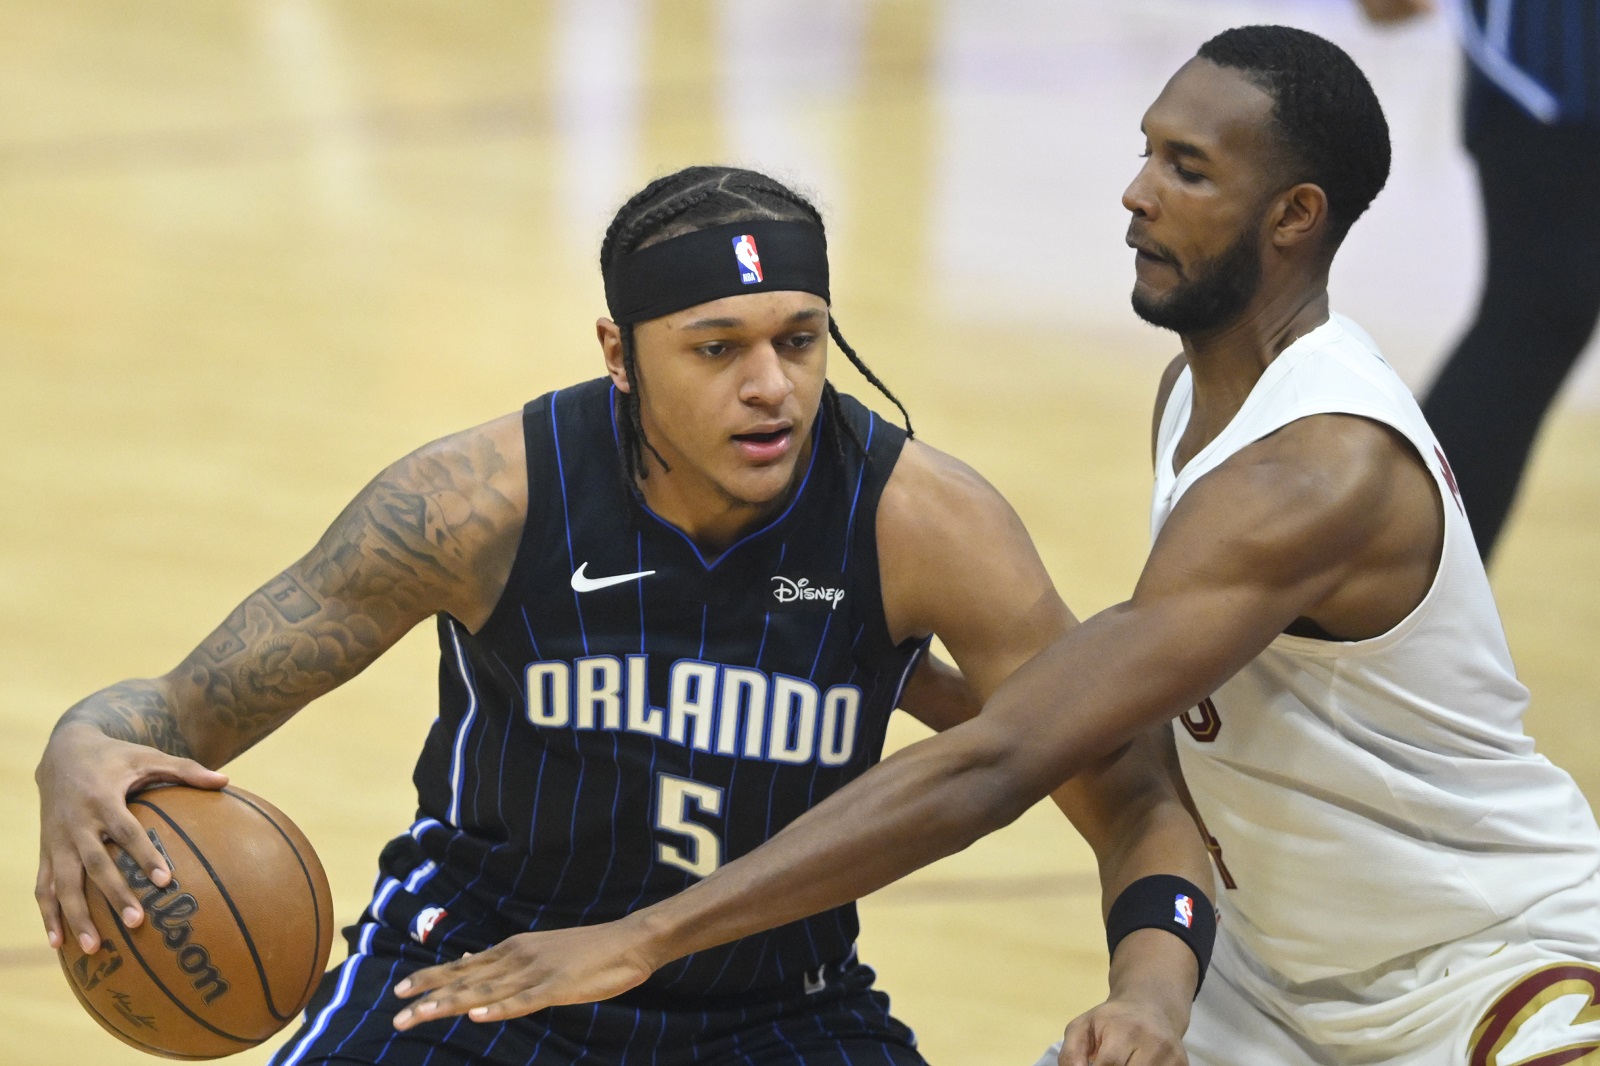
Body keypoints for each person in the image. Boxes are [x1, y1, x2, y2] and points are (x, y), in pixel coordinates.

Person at [388, 29, 1600, 1066]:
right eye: (1144, 151)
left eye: (1185, 169)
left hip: (1479, 959)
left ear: (1293, 218)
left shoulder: (1317, 472)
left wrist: (645, 935)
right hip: (1274, 981)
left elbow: (1012, 759)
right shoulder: (1197, 396)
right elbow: (1126, 726)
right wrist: (890, 668)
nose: (1135, 192)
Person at [35, 166, 1214, 1065]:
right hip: (473, 975)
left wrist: (1149, 993)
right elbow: (177, 712)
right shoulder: (470, 503)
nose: (772, 387)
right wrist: (79, 745)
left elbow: (1133, 793)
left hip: (775, 1003)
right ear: (619, 351)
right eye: (718, 349)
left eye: (799, 342)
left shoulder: (925, 522)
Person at [1360, 0, 1600, 560]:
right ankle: (1384, 585)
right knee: (1534, 318)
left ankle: (1384, 587)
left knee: (1535, 321)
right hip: (1552, 61)